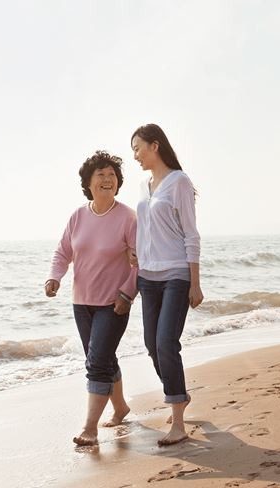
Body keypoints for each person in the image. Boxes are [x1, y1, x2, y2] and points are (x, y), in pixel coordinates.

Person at [45, 151, 137, 446]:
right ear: (88, 182)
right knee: (101, 357)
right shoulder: (77, 216)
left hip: (114, 303)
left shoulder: (128, 217)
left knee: (97, 362)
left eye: (112, 175)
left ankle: (90, 428)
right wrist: (54, 277)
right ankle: (120, 407)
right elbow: (63, 252)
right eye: (101, 175)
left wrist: (127, 292)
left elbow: (142, 261)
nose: (108, 179)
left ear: (118, 182)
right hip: (81, 302)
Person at [130, 123, 204, 446]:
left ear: (155, 146)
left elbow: (191, 234)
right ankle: (179, 394)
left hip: (176, 274)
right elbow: (146, 230)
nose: (135, 155)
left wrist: (195, 282)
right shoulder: (145, 186)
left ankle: (177, 421)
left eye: (137, 148)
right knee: (151, 344)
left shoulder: (179, 182)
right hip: (148, 277)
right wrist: (136, 255)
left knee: (165, 342)